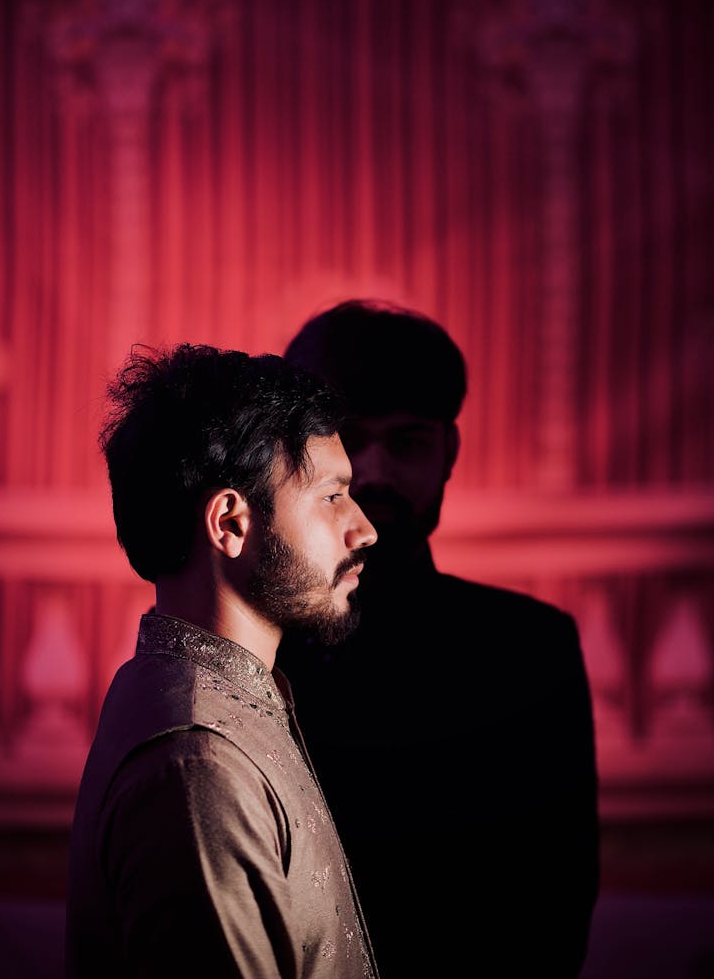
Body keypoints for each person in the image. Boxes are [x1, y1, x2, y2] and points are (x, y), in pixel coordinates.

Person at [278, 299, 600, 978]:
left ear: (448, 452)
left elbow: (554, 909)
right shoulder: (251, 652)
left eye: (406, 441)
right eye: (346, 438)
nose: (372, 471)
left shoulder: (530, 652)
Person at [65, 342, 381, 979]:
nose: (363, 528)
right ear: (231, 524)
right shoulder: (196, 764)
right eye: (330, 496)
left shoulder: (222, 700)